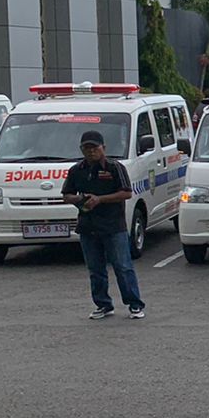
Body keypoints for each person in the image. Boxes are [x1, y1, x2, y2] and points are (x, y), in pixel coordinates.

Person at [60, 129, 145, 320]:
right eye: (86, 148)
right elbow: (66, 195)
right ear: (81, 149)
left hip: (113, 226)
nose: (91, 152)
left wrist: (100, 199)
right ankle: (103, 304)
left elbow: (126, 193)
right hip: (88, 226)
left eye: (94, 147)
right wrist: (80, 199)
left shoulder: (115, 167)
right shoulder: (76, 170)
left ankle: (134, 304)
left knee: (123, 266)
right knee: (95, 269)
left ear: (103, 148)